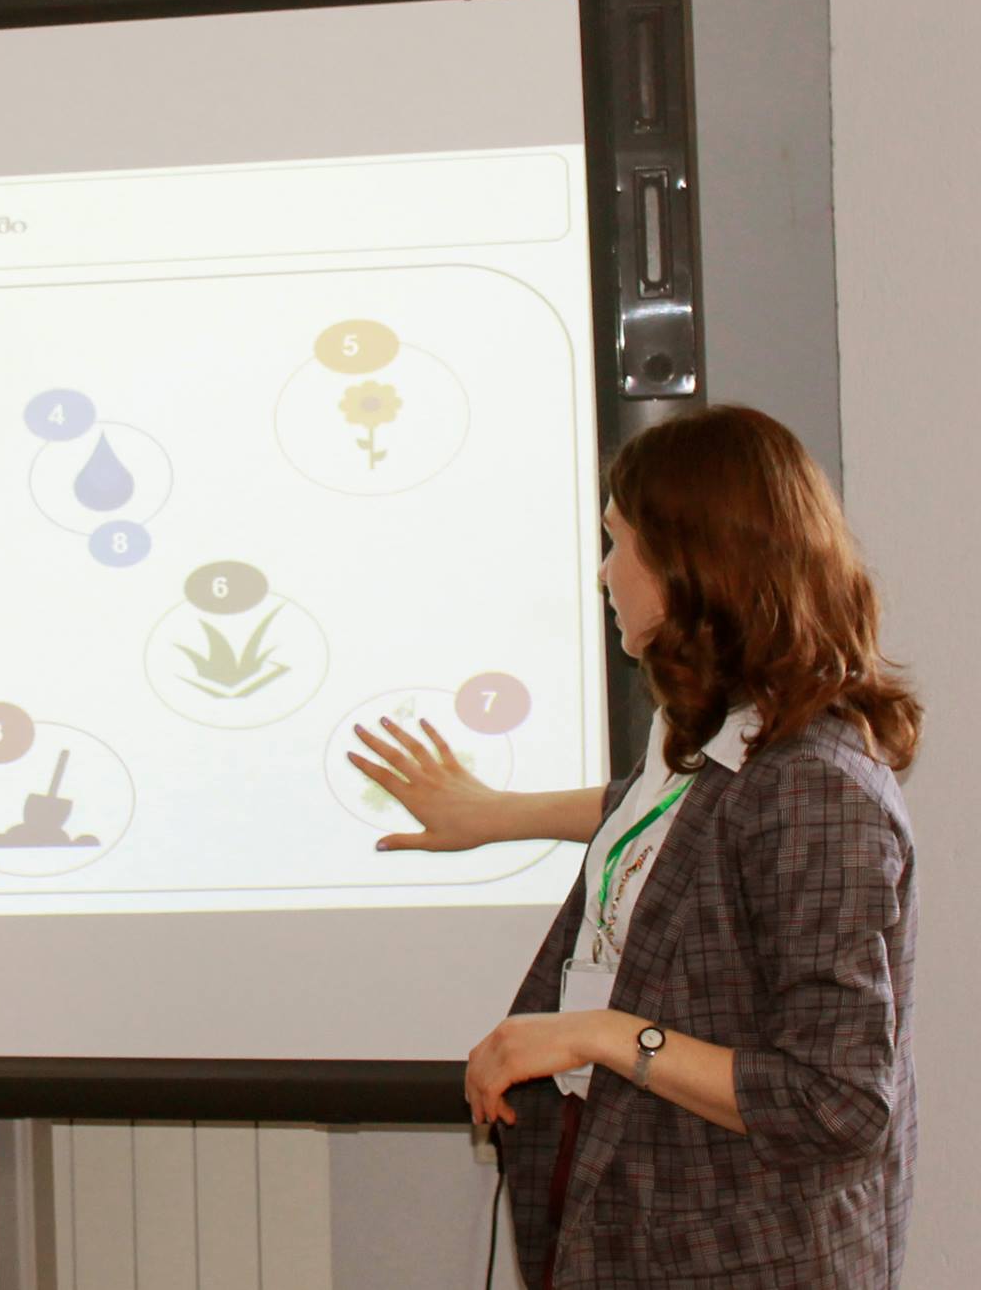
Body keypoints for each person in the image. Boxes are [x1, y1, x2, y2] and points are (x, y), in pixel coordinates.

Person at [349, 405, 918, 1286]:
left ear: (695, 565)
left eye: (620, 541)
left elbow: (836, 1101)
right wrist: (493, 814)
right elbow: (680, 822)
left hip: (748, 1260)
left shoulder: (816, 787)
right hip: (647, 1232)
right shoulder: (722, 732)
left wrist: (603, 1036)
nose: (604, 571)